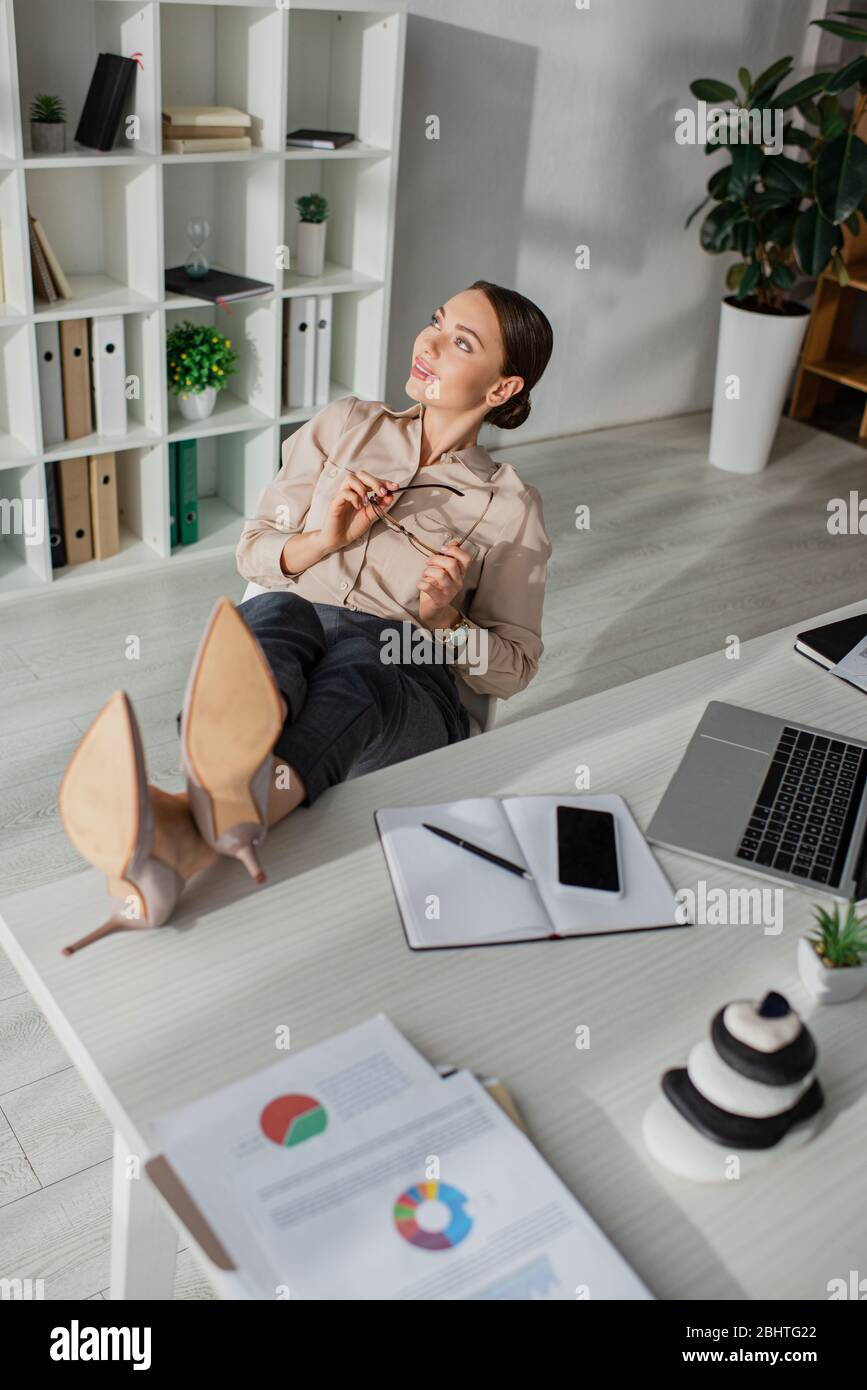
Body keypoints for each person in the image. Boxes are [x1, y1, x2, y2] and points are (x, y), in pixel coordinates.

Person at [56, 281, 554, 953]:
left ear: (500, 389)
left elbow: (514, 668)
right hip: (298, 625)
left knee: (368, 654)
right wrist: (325, 540)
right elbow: (254, 552)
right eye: (435, 322)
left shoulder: (509, 506)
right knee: (274, 615)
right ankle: (206, 820)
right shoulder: (344, 426)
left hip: (405, 683)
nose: (428, 344)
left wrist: (443, 624)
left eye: (460, 343)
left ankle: (190, 823)